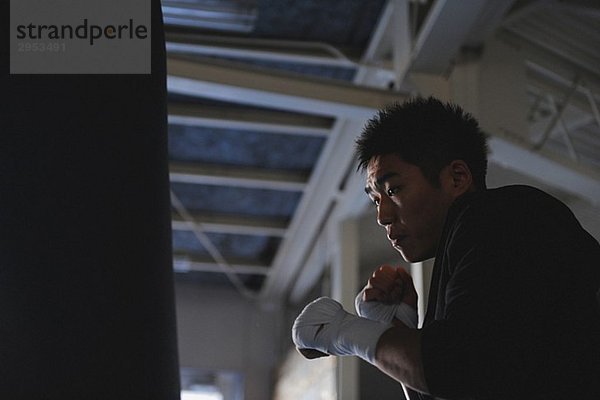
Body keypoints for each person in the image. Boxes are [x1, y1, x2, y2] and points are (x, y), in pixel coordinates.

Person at [292, 97, 600, 399]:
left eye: (394, 189)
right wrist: (394, 328)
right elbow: (461, 383)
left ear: (457, 177)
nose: (382, 216)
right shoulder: (471, 251)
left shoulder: (506, 215)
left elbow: (460, 369)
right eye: (376, 200)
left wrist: (346, 332)